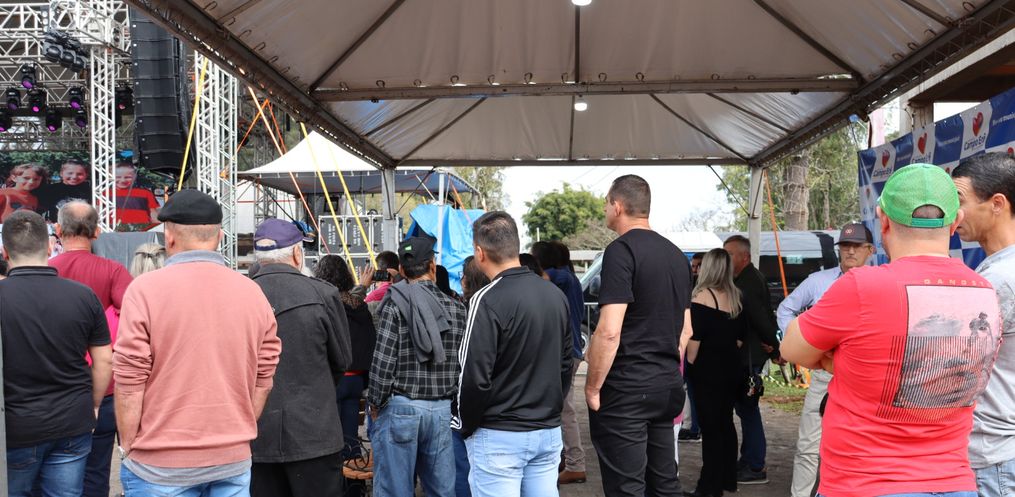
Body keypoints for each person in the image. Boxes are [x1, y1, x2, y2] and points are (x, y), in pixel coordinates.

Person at [782, 163, 1003, 497]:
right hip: (955, 483)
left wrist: (838, 360)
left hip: (867, 483)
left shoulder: (863, 286)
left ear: (883, 220)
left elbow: (791, 348)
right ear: (955, 221)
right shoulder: (984, 290)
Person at [114, 189, 281, 496]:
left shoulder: (144, 290)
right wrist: (236, 432)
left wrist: (128, 445)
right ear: (219, 237)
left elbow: (129, 382)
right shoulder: (251, 291)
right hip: (231, 459)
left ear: (169, 237)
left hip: (159, 464)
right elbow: (264, 377)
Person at [585, 175, 689, 497]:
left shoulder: (620, 251)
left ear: (617, 206)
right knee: (665, 483)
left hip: (628, 388)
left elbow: (609, 331)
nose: (605, 209)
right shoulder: (676, 255)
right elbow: (686, 330)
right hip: (666, 385)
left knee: (627, 487)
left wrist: (592, 387)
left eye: (606, 203)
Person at [456, 211, 571, 497]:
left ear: (480, 253)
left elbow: (473, 377)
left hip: (500, 435)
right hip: (546, 431)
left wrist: (466, 426)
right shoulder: (554, 295)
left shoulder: (485, 299)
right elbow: (565, 364)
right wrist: (550, 410)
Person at [2, 210, 112, 497]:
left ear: (5, 252)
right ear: (50, 246)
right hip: (72, 421)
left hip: (15, 428)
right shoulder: (83, 295)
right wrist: (94, 404)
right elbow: (104, 359)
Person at [249, 218, 352, 497]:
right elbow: (342, 360)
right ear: (297, 253)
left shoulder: (239, 295)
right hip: (314, 432)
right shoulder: (323, 293)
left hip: (256, 432)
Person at [776, 223, 875, 497]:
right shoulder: (819, 281)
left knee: (861, 445)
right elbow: (786, 308)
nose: (850, 251)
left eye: (857, 246)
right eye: (845, 246)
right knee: (808, 444)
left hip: (865, 377)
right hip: (825, 373)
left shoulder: (881, 281)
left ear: (870, 250)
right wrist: (798, 341)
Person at [368, 236, 467, 497]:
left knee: (394, 490)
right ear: (432, 266)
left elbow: (383, 360)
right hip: (442, 410)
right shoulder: (457, 309)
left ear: (401, 269)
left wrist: (375, 403)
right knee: (442, 490)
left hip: (401, 408)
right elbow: (462, 363)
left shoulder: (394, 304)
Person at [49, 201, 134, 497]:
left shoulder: (46, 271)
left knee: (53, 474)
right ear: (97, 232)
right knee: (96, 471)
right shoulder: (113, 271)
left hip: (55, 387)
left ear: (58, 230)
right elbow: (136, 320)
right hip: (106, 386)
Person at [952, 152, 1015, 497]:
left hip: (994, 457)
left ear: (997, 204)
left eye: (960, 200)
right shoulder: (997, 271)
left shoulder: (999, 280)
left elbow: (953, 363)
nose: (953, 213)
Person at [684, 248, 748, 497]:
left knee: (710, 428)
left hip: (707, 371)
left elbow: (694, 343)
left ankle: (708, 487)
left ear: (708, 268)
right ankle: (727, 479)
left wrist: (690, 366)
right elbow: (740, 339)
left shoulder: (701, 296)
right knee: (725, 423)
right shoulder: (737, 297)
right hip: (731, 368)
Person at [723, 234, 782, 484]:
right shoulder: (743, 278)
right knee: (745, 409)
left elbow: (761, 319)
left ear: (744, 257)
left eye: (730, 254)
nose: (725, 259)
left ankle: (755, 465)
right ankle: (749, 459)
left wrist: (776, 349)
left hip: (748, 356)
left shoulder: (748, 282)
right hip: (749, 353)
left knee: (748, 410)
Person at [313, 255, 378, 467]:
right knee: (350, 436)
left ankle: (334, 478)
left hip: (332, 379)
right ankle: (353, 479)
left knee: (329, 437)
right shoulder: (359, 307)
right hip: (356, 379)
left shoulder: (323, 305)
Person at [532, 240, 588, 485]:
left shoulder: (560, 277)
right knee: (562, 408)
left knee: (565, 409)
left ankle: (576, 463)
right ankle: (566, 458)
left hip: (564, 352)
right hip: (570, 350)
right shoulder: (568, 278)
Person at [679, 252, 706, 443]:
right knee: (688, 388)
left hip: (696, 347)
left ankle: (695, 427)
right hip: (690, 345)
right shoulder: (691, 286)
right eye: (693, 266)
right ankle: (690, 424)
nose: (695, 270)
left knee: (693, 390)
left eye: (699, 266)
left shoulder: (701, 291)